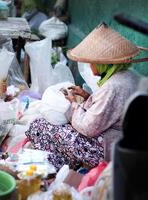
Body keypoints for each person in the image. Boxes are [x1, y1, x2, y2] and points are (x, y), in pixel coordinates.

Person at [25, 23, 142, 170]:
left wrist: (74, 104)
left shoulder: (113, 87)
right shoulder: (127, 77)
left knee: (39, 125)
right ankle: (65, 164)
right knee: (59, 126)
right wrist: (87, 97)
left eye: (91, 62)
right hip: (123, 142)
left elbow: (88, 128)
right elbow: (109, 111)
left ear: (102, 63)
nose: (89, 66)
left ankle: (60, 165)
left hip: (108, 149)